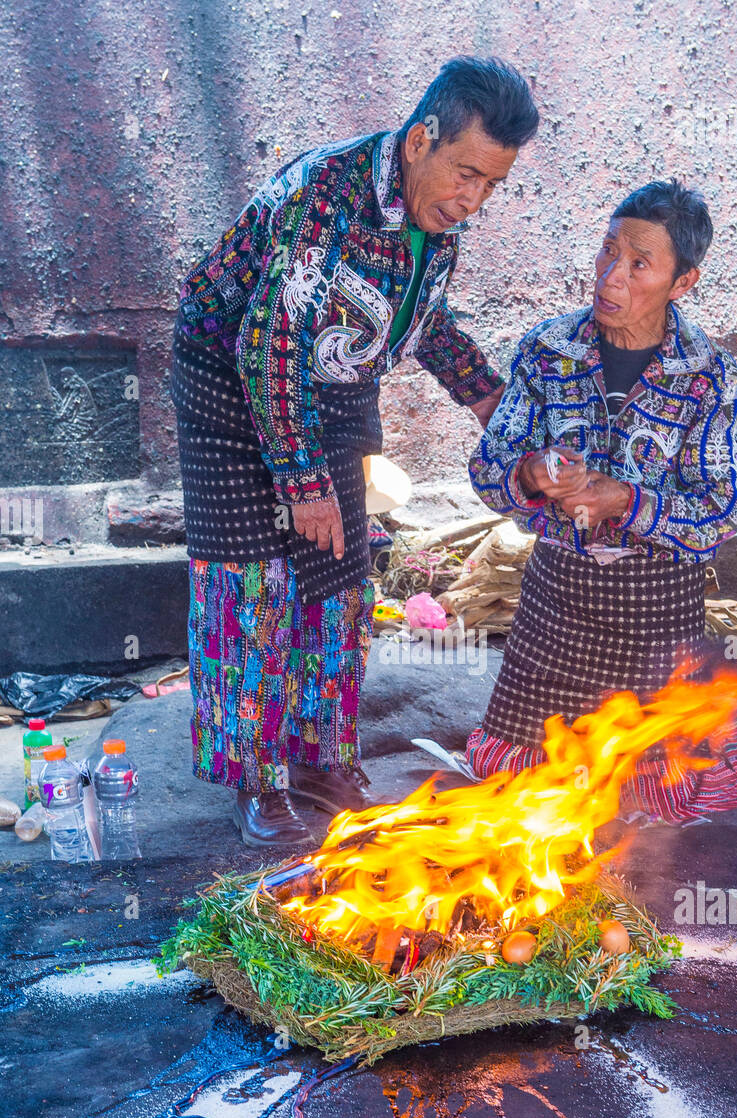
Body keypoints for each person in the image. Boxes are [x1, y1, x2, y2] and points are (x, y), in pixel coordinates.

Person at [170, 56, 539, 849]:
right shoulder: (323, 199)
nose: (471, 198)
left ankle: (317, 757)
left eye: (491, 184)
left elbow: (427, 325)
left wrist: (492, 405)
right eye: (465, 173)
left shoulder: (437, 226)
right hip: (230, 380)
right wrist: (300, 482)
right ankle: (257, 775)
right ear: (418, 141)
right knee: (251, 581)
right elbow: (268, 345)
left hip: (331, 389)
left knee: (336, 573)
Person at [466, 178, 737, 823]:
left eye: (639, 263)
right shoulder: (548, 350)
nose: (611, 276)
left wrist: (624, 500)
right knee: (524, 790)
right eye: (607, 252)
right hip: (554, 609)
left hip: (654, 616)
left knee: (655, 797)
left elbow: (720, 513)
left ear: (682, 283)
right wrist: (533, 473)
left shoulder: (710, 376)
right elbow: (487, 470)